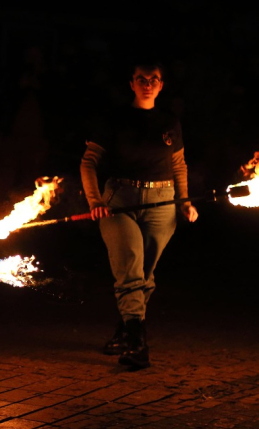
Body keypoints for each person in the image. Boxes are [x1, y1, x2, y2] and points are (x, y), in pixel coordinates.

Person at [80, 58, 198, 370]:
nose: (148, 84)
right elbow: (89, 162)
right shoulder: (114, 118)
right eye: (141, 78)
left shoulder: (169, 121)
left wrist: (184, 201)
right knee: (131, 267)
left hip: (162, 200)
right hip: (120, 200)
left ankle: (124, 329)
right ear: (131, 83)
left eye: (154, 79)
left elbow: (178, 165)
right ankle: (137, 341)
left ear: (161, 85)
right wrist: (95, 202)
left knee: (145, 274)